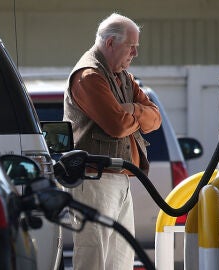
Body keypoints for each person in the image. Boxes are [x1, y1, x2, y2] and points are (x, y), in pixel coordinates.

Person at [63, 13, 162, 270]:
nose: (135, 54)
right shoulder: (89, 76)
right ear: (110, 43)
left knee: (121, 259)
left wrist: (132, 109)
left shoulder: (123, 77)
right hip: (94, 180)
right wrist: (136, 113)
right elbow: (117, 125)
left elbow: (156, 120)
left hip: (118, 177)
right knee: (93, 257)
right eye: (131, 47)